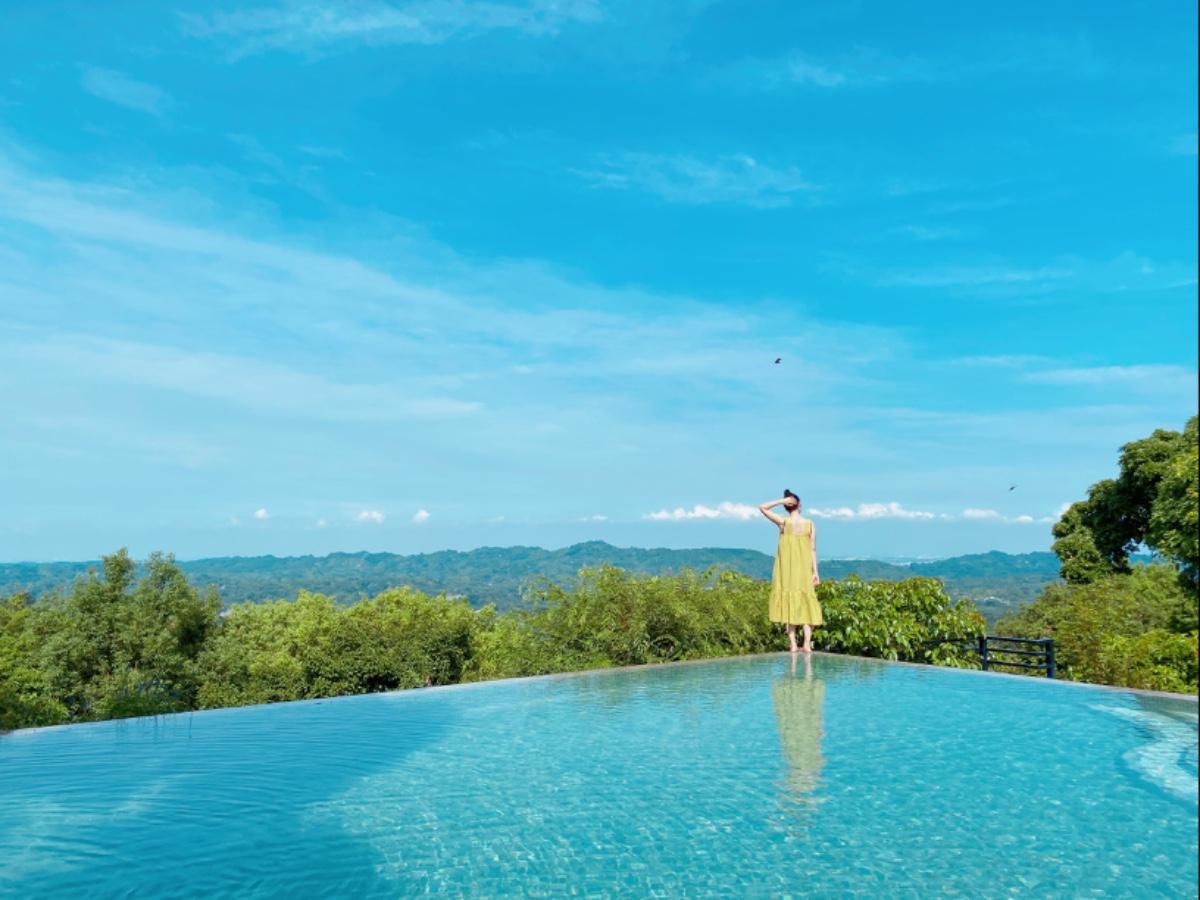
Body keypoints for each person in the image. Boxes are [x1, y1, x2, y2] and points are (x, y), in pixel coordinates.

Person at [759, 490, 823, 653]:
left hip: (787, 570)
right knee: (807, 606)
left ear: (787, 506)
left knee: (790, 607)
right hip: (804, 570)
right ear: (799, 505)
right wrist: (815, 572)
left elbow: (762, 507)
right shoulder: (810, 524)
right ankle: (807, 644)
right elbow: (813, 549)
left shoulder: (783, 522)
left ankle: (793, 644)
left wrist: (781, 501)